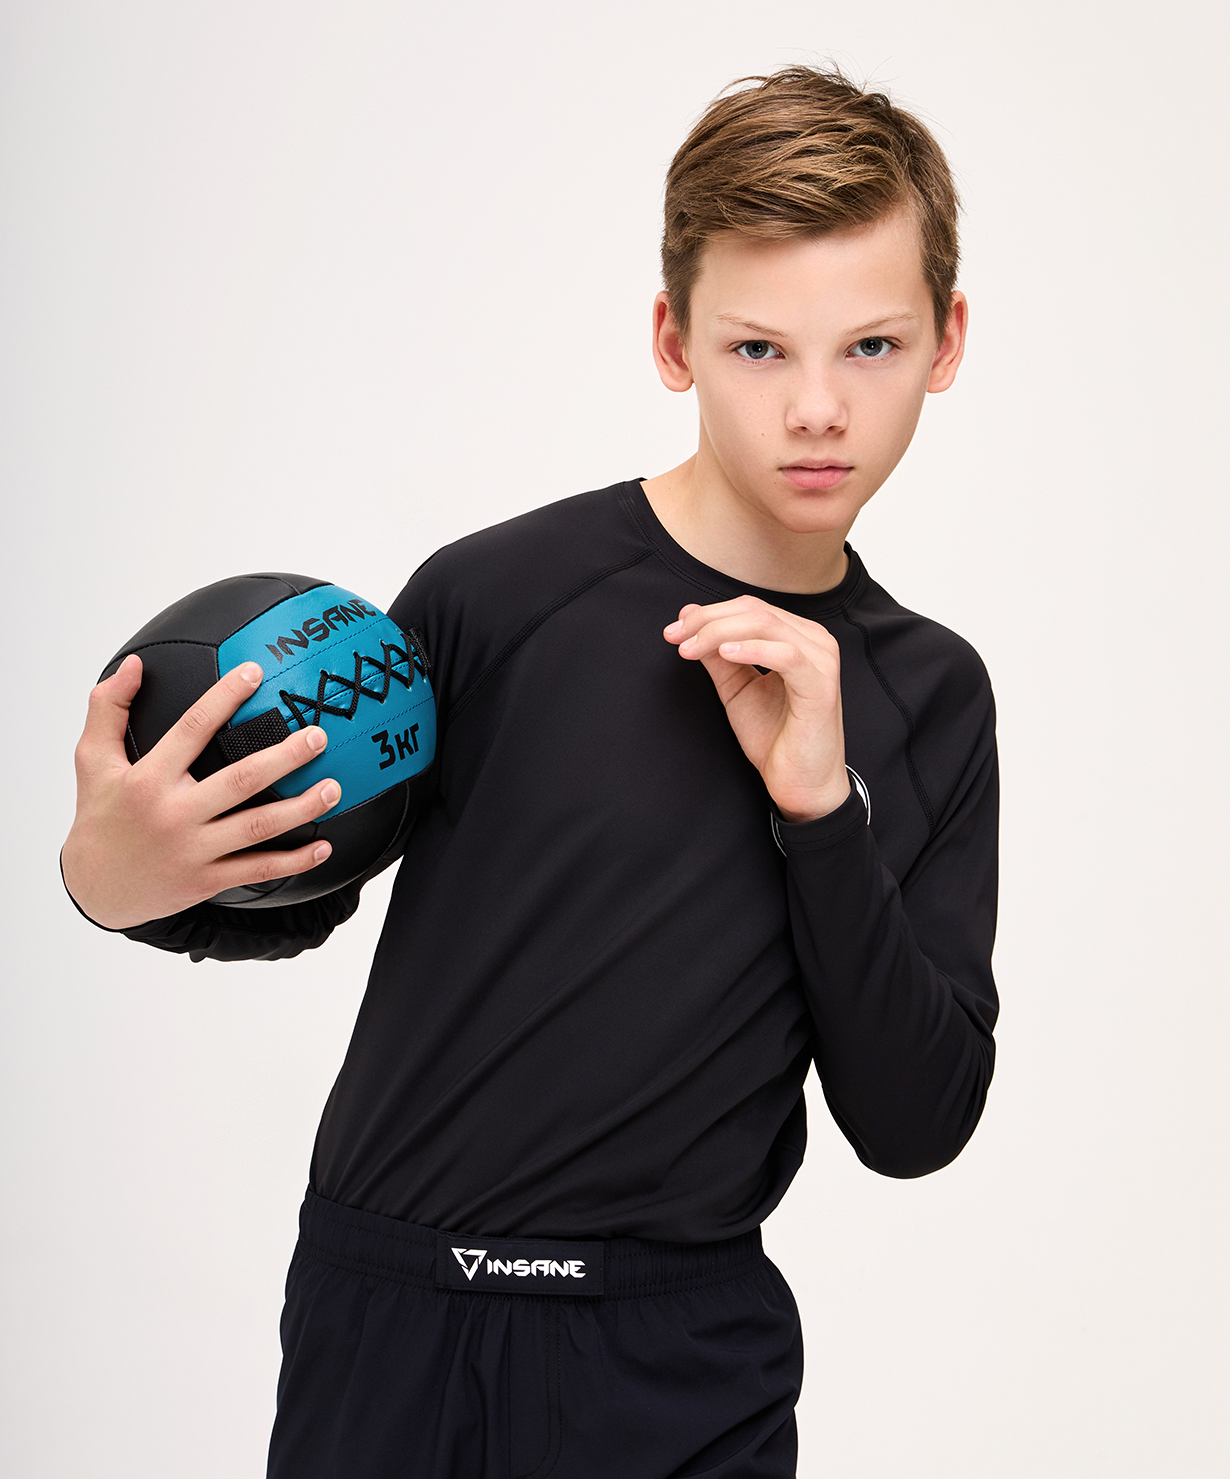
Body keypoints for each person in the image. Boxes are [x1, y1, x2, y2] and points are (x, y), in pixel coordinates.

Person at [61, 66, 998, 1479]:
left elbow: (915, 1120)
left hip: (681, 1358)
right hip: (392, 1320)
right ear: (674, 340)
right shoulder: (498, 597)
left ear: (945, 341)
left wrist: (820, 811)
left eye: (870, 346)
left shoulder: (928, 698)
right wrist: (112, 880)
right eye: (758, 349)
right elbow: (300, 880)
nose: (818, 408)